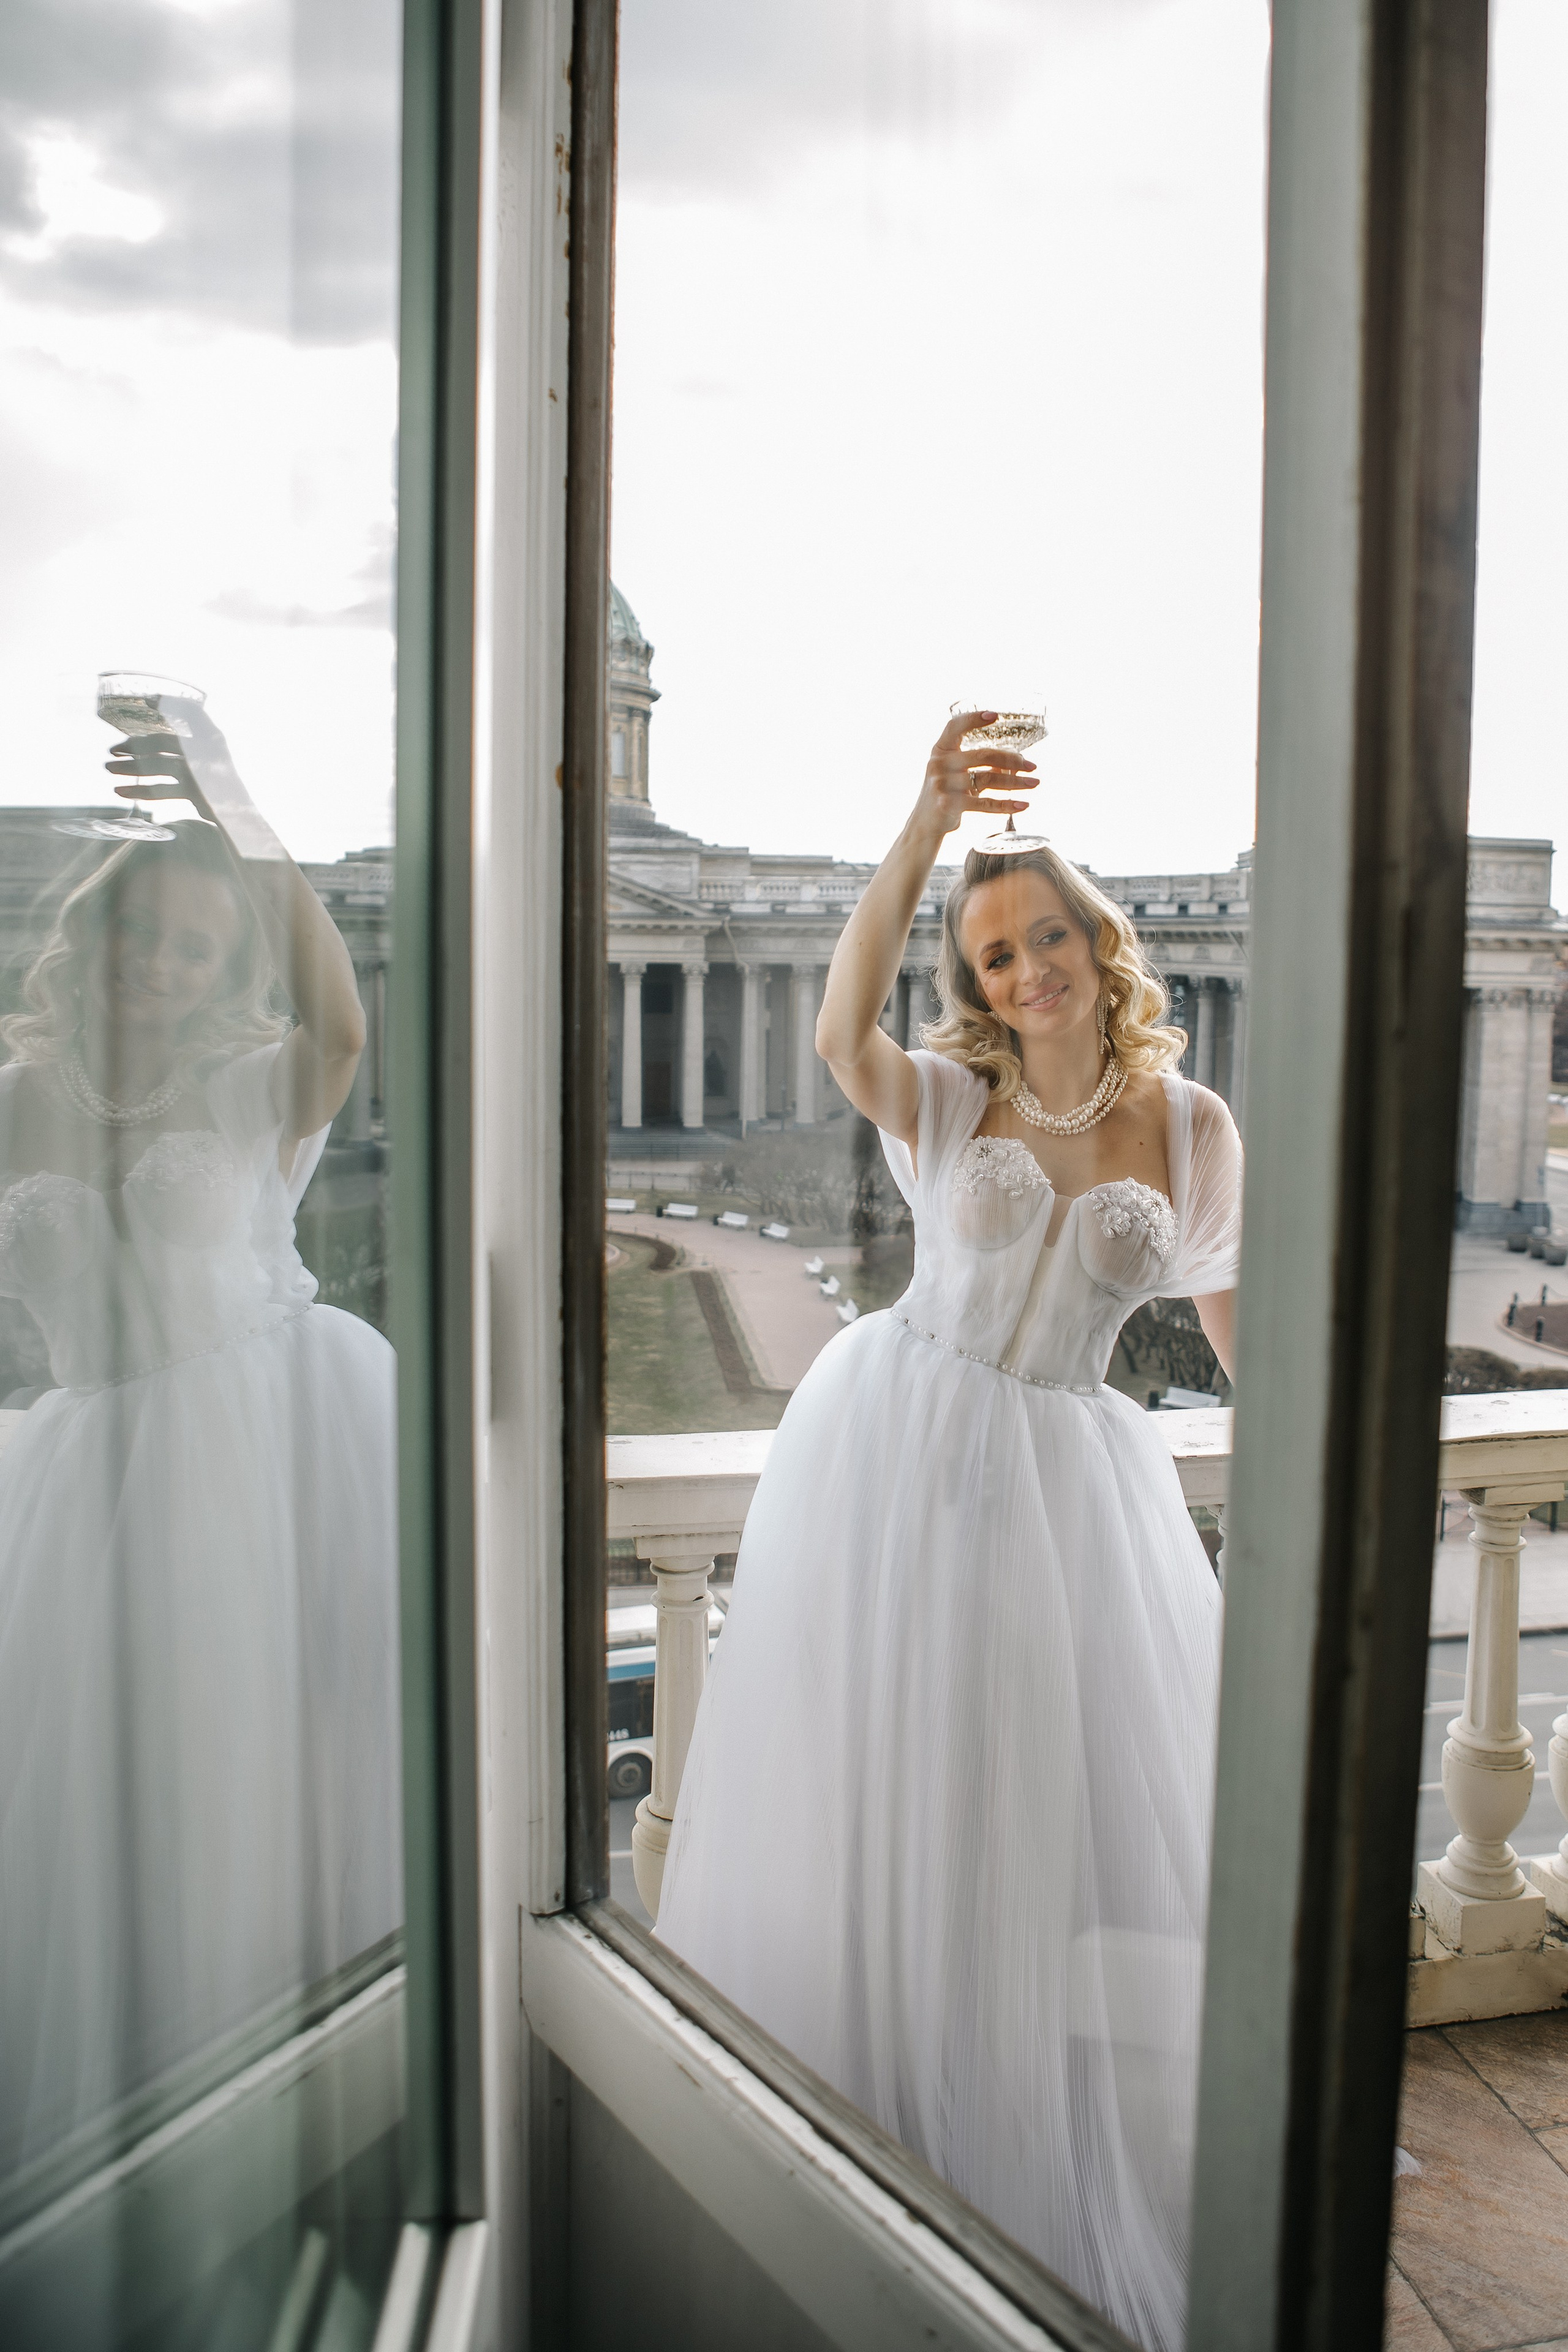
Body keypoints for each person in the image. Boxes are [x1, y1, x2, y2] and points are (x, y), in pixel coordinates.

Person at [655, 712, 1242, 2352]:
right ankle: (876, 2132)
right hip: (901, 1452)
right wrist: (921, 827)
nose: (1028, 970)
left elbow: (1243, 1323)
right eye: (995, 955)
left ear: (1097, 939)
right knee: (886, 1780)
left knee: (1032, 1804)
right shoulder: (944, 1102)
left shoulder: (1193, 1130)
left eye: (1048, 934)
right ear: (975, 981)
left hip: (1070, 1486)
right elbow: (843, 1031)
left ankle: (1011, 2139)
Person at [0, 699, 400, 2187]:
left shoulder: (249, 1089)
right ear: (86, 942)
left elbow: (343, 1019)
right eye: (134, 935)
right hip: (89, 1487)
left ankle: (296, 2134)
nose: (156, 962)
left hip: (272, 1456)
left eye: (187, 941)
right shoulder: (13, 1100)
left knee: (267, 1782)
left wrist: (230, 797)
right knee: (112, 1822)